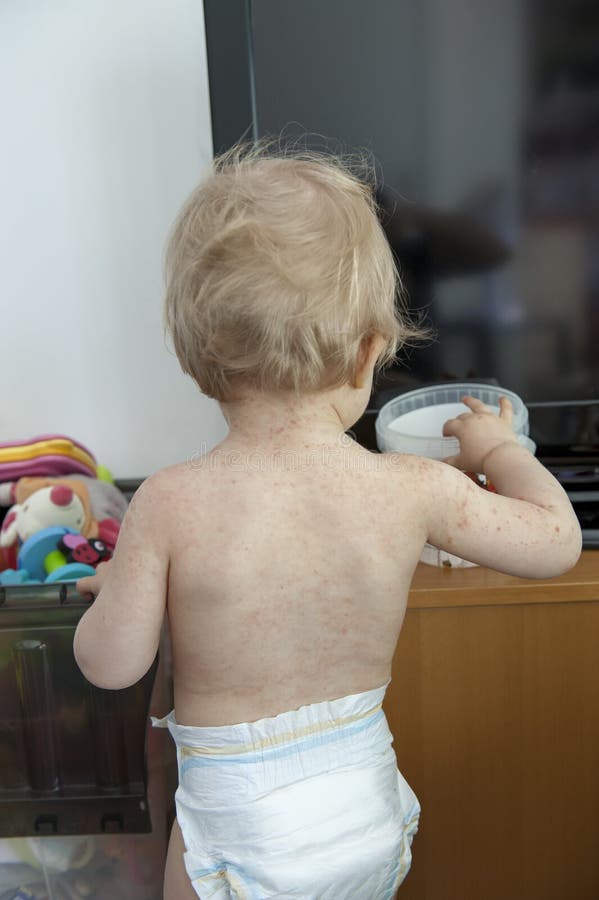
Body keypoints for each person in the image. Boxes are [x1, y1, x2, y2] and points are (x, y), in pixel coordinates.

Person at [73, 142, 582, 900]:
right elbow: (554, 543)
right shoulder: (408, 489)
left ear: (192, 352)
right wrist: (500, 450)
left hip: (235, 831)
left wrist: (122, 590)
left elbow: (110, 666)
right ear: (369, 354)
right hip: (361, 814)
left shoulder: (171, 502)